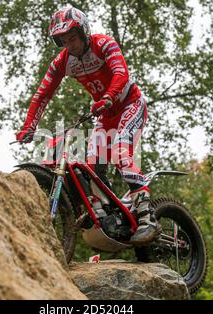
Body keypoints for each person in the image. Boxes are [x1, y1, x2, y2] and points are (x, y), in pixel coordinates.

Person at [15, 6, 157, 244]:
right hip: (105, 114)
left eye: (73, 38)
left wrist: (109, 96)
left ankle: (147, 215)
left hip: (130, 104)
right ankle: (113, 214)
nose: (70, 45)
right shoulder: (62, 62)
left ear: (84, 32)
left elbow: (121, 74)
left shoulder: (105, 44)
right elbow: (42, 95)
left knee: (121, 152)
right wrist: (29, 125)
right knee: (92, 168)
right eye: (64, 41)